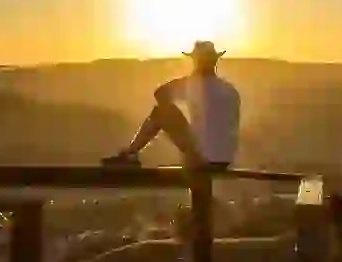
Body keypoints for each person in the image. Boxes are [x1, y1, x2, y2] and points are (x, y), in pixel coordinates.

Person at [102, 40, 241, 169]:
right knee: (198, 142)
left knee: (160, 112)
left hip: (200, 158)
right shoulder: (230, 90)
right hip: (225, 160)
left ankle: (131, 154)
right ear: (215, 61)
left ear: (196, 61)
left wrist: (173, 120)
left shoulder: (194, 84)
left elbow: (160, 93)